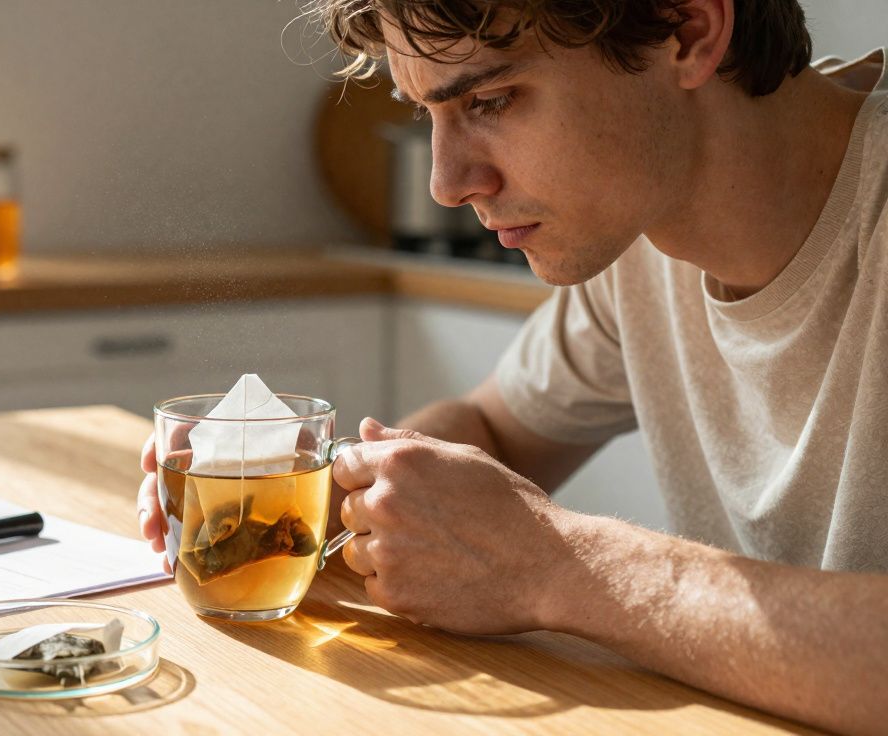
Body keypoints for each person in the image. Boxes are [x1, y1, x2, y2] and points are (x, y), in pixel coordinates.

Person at [137, 0, 888, 731]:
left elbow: (538, 548)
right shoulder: (640, 227)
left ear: (687, 29)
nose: (448, 183)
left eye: (492, 99)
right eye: (424, 113)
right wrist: (325, 506)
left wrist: (561, 564)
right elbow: (490, 427)